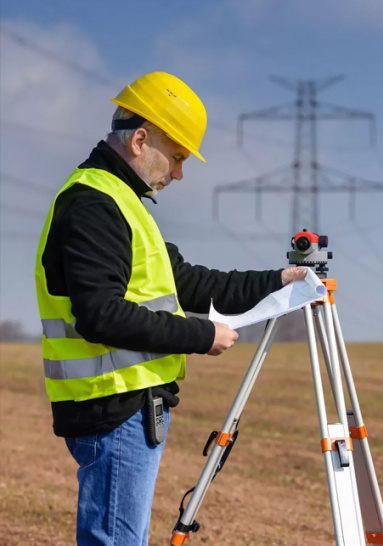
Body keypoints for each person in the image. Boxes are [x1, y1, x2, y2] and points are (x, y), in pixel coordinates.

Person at [34, 71, 307, 545]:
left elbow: (193, 284)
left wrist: (279, 281)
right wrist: (202, 336)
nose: (180, 172)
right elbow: (101, 314)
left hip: (127, 406)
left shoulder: (124, 203)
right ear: (140, 140)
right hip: (113, 407)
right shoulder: (94, 205)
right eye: (177, 156)